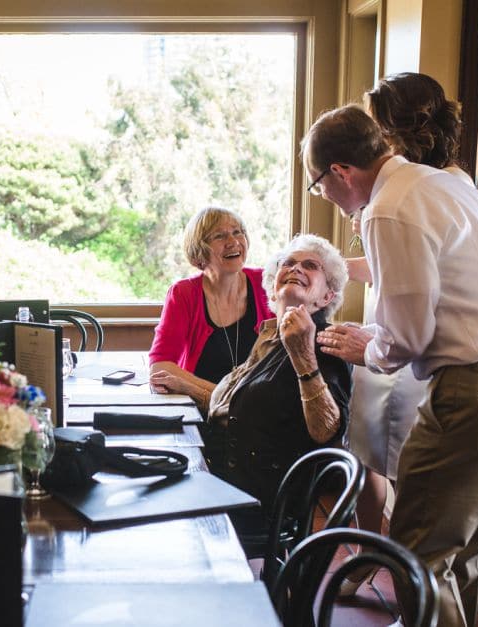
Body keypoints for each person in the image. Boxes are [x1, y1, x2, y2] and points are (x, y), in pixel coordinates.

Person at [305, 104, 478, 627]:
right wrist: (378, 335)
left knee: (416, 551)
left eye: (319, 185)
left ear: (341, 172)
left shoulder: (387, 207)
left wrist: (366, 348)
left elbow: (409, 337)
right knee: (469, 544)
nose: (324, 196)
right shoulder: (442, 183)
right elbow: (440, 307)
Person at [340, 72, 474, 596]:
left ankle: (402, 579)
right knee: (368, 451)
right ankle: (369, 553)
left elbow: (422, 280)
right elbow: (401, 270)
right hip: (394, 330)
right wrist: (335, 267)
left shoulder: (428, 187)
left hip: (421, 350)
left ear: (390, 129)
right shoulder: (397, 186)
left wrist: (376, 346)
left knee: (417, 492)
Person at [208, 234, 351, 554]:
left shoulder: (325, 341)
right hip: (221, 482)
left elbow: (326, 430)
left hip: (260, 504)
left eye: (310, 266)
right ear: (273, 288)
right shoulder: (270, 336)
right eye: (288, 263)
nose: (295, 268)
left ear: (327, 296)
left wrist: (303, 355)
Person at [148, 206, 272, 411]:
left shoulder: (266, 283)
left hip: (258, 414)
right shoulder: (183, 293)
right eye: (220, 236)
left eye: (237, 232)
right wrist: (221, 397)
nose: (233, 242)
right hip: (199, 411)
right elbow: (161, 367)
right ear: (199, 253)